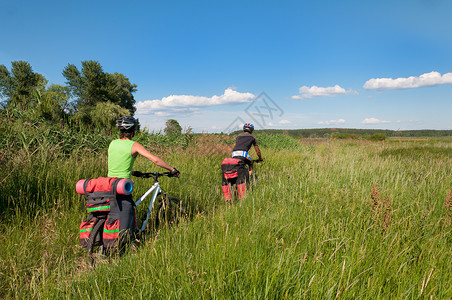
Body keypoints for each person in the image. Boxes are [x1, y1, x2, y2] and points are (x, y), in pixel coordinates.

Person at [108, 116, 179, 246]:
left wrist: (132, 172)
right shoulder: (134, 145)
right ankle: (127, 244)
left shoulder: (112, 143)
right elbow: (155, 160)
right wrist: (171, 168)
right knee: (128, 211)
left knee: (116, 211)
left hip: (108, 184)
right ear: (133, 130)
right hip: (122, 185)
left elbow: (118, 163)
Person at [221, 123, 263, 200]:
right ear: (251, 130)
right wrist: (260, 158)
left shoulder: (238, 136)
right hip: (244, 154)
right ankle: (250, 179)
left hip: (234, 155)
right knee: (251, 163)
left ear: (244, 129)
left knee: (236, 165)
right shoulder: (252, 137)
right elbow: (258, 151)